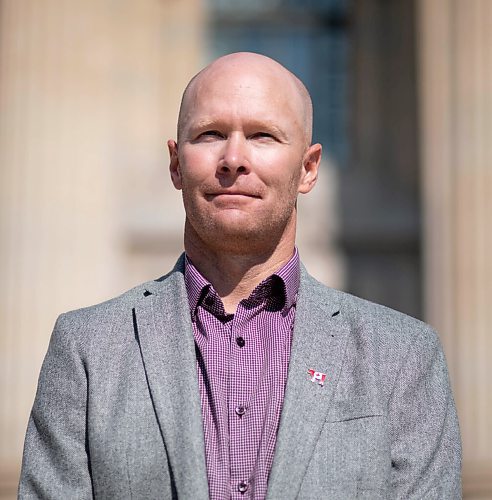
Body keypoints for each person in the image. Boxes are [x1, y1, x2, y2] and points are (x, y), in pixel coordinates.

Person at [18, 52, 461, 499]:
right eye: (210, 134)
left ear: (308, 168)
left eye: (262, 136)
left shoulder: (404, 356)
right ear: (175, 164)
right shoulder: (86, 349)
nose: (233, 159)